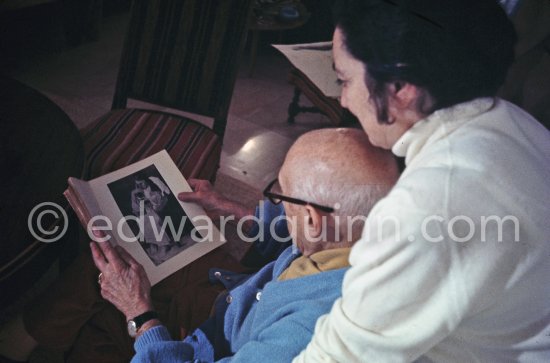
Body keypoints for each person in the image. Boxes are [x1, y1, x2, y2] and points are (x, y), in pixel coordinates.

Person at [0, 128, 398, 362]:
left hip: (217, 337)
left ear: (312, 218)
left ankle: (23, 340)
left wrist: (139, 312)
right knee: (124, 253)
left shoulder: (308, 333)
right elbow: (309, 233)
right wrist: (231, 207)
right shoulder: (370, 230)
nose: (274, 202)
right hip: (233, 291)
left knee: (110, 288)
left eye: (282, 196)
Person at [293, 1, 550, 362]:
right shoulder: (515, 122)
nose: (344, 100)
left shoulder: (431, 204)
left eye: (344, 80)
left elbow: (339, 357)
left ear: (400, 86)